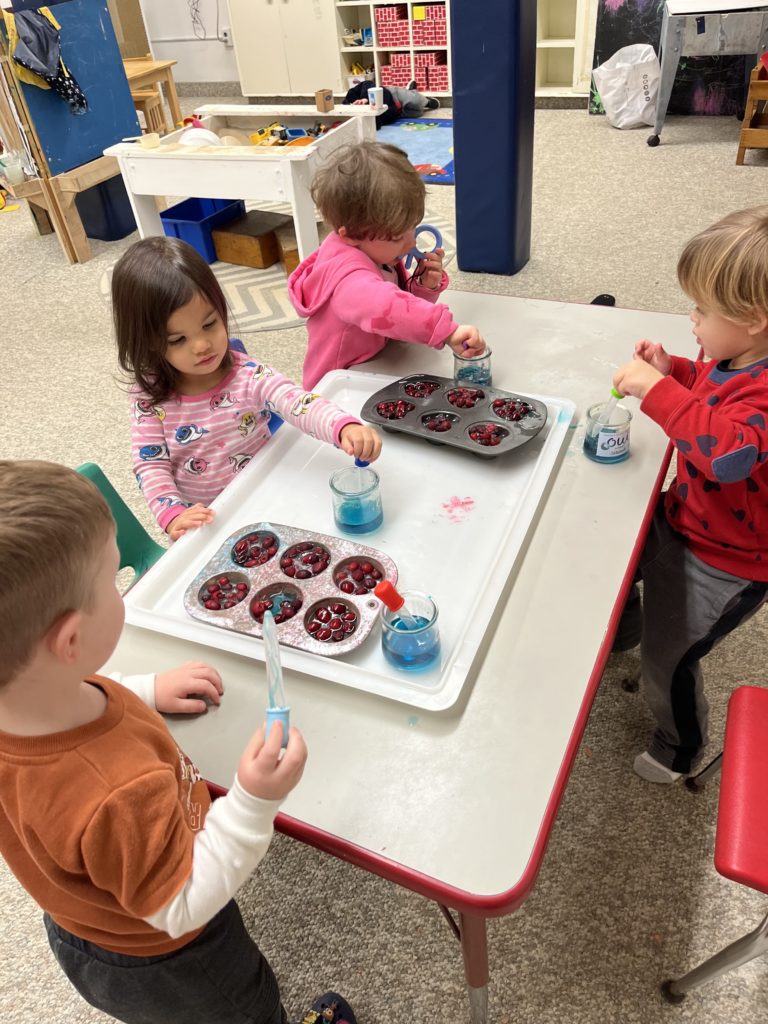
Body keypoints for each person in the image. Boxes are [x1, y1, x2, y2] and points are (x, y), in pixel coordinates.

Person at [0, 459, 357, 1024]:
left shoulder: (28, 694)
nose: (123, 592)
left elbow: (91, 689)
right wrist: (252, 801)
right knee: (245, 1011)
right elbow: (183, 900)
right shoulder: (115, 793)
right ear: (70, 640)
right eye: (114, 580)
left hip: (85, 919)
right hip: (171, 955)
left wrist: (145, 690)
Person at [611, 206, 768, 783]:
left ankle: (680, 747)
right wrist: (672, 370)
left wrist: (657, 394)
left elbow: (729, 454)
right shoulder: (739, 354)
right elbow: (710, 390)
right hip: (689, 517)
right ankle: (620, 632)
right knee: (621, 562)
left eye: (702, 311)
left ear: (753, 318)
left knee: (669, 657)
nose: (692, 319)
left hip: (726, 561)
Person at [112, 237, 382, 540]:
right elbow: (150, 465)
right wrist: (173, 514)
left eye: (210, 324)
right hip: (206, 524)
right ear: (147, 341)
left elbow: (297, 403)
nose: (202, 345)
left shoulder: (248, 375)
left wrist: (342, 427)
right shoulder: (149, 397)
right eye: (178, 340)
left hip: (266, 500)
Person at [288, 140, 485, 390]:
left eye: (412, 228)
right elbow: (386, 308)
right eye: (395, 237)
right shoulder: (348, 281)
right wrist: (446, 331)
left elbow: (394, 312)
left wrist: (422, 287)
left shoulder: (374, 251)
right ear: (349, 235)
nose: (411, 242)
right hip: (338, 390)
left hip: (377, 363)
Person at [343, 79, 439, 129]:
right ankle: (410, 90)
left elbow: (367, 83)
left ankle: (428, 102)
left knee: (417, 101)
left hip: (393, 95)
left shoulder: (350, 99)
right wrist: (372, 112)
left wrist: (366, 98)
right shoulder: (367, 122)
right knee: (418, 112)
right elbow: (391, 114)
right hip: (396, 111)